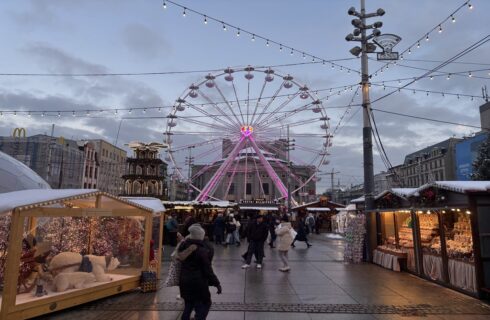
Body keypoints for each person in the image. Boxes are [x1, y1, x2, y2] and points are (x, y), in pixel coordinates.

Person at [177, 224, 222, 320]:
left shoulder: (183, 245)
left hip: (184, 281)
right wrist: (216, 283)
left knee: (188, 304)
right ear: (200, 236)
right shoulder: (202, 251)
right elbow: (208, 269)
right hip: (198, 283)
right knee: (205, 303)